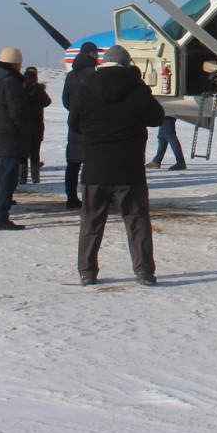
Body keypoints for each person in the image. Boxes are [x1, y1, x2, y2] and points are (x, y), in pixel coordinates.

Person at [69, 45, 164, 286]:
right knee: (136, 220)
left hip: (95, 166)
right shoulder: (135, 88)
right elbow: (157, 117)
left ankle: (87, 272)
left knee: (91, 221)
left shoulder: (86, 86)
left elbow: (75, 123)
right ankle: (144, 272)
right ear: (127, 63)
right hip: (128, 167)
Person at [0, 47, 29, 231]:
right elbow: (16, 111)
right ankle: (1, 217)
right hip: (9, 136)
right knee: (7, 180)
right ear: (16, 63)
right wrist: (25, 131)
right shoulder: (11, 82)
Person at [60, 43, 98, 210]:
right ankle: (92, 199)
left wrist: (74, 113)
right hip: (91, 125)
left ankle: (71, 197)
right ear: (91, 53)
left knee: (73, 164)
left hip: (74, 125)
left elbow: (65, 100)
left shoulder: (70, 75)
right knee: (92, 164)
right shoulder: (93, 75)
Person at [22, 66, 53, 185]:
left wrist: (38, 89)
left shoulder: (26, 89)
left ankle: (24, 177)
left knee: (26, 152)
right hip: (34, 125)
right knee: (33, 152)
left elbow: (47, 102)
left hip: (28, 125)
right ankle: (32, 176)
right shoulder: (27, 89)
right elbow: (47, 101)